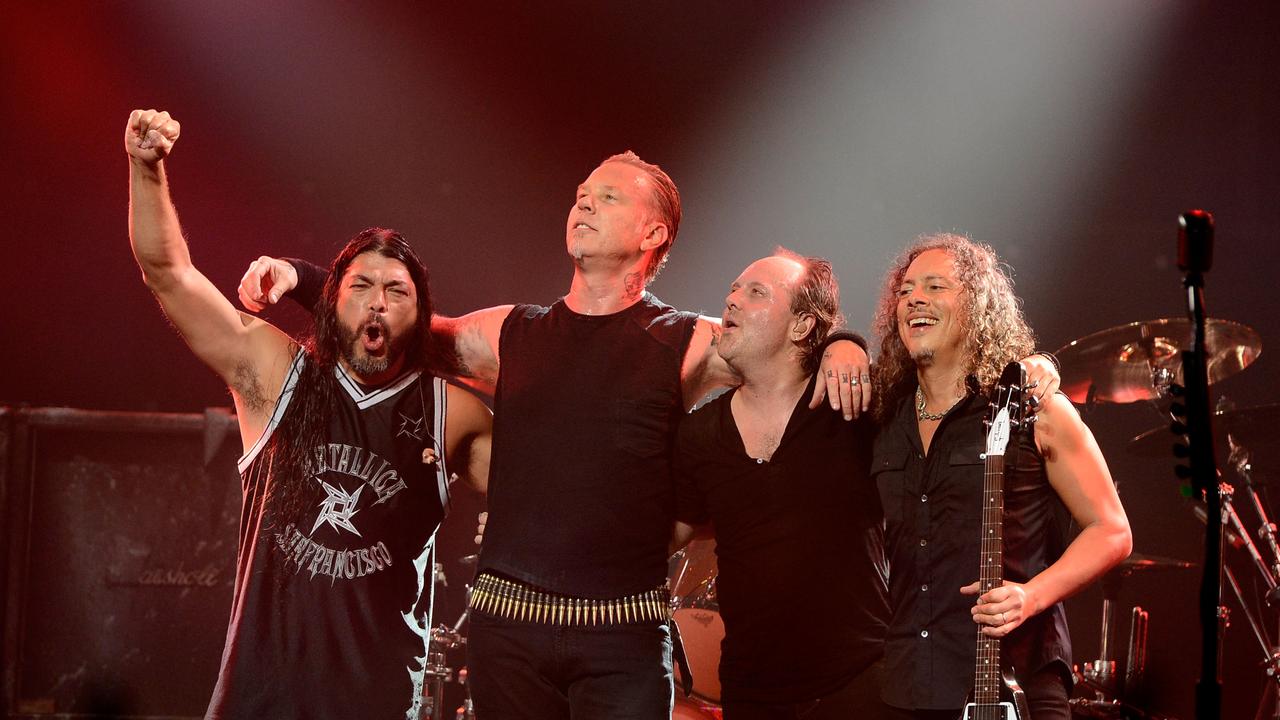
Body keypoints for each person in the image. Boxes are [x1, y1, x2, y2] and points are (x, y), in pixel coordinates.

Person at [237, 152, 874, 719]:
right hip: (508, 633)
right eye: (580, 194)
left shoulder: (688, 341)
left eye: (608, 196)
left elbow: (781, 340)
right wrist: (304, 277)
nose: (584, 203)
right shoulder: (514, 332)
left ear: (653, 233)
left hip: (622, 638)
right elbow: (409, 328)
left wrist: (844, 343)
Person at [124, 109, 493, 719]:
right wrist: (146, 169)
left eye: (396, 290)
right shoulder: (276, 377)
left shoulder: (451, 413)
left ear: (420, 310)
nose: (377, 303)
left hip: (376, 704)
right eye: (359, 287)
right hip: (258, 701)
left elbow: (545, 503)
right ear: (331, 301)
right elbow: (169, 275)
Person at [869, 233, 1132, 719]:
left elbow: (1112, 530)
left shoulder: (1035, 410)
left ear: (978, 306)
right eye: (905, 290)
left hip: (1016, 684)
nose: (914, 299)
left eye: (935, 286)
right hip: (908, 686)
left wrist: (1030, 596)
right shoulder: (884, 420)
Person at [670, 249, 892, 720]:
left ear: (801, 327)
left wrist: (848, 341)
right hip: (754, 692)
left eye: (756, 292)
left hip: (862, 681)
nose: (731, 300)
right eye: (733, 289)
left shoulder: (851, 403)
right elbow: (664, 535)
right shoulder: (700, 433)